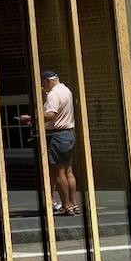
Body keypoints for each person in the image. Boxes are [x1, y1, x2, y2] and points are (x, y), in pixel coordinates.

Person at [41, 69, 78, 217]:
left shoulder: (53, 94)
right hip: (69, 133)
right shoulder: (66, 90)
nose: (44, 88)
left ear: (47, 81)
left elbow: (50, 115)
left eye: (43, 85)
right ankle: (73, 203)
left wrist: (32, 117)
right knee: (68, 170)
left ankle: (66, 206)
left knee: (58, 172)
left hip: (56, 135)